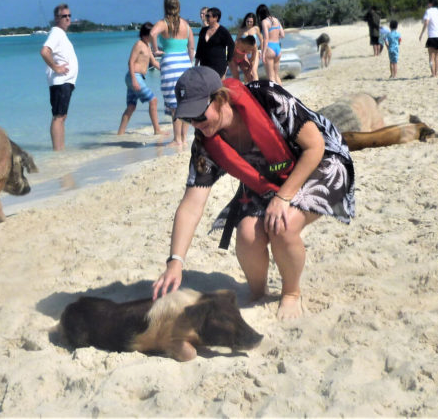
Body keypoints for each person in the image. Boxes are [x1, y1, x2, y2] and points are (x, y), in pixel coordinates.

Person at [151, 67, 355, 320]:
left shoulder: (268, 98)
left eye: (200, 116)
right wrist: (175, 261)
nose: (195, 125)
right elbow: (192, 204)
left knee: (282, 225)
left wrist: (283, 199)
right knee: (247, 234)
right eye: (188, 119)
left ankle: (291, 293)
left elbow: (315, 147)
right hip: (267, 180)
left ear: (221, 99)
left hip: (321, 163)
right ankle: (258, 293)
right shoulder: (205, 143)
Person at [150, 0, 195, 146]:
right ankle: (183, 137)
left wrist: (155, 50)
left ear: (165, 6)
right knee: (186, 102)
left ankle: (177, 139)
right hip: (185, 64)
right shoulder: (186, 25)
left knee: (174, 103)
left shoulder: (164, 23)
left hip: (170, 63)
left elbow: (152, 33)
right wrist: (189, 63)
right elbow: (191, 47)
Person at [40, 3, 79, 151]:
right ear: (57, 18)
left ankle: (61, 149)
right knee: (58, 117)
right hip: (60, 82)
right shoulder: (56, 33)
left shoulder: (60, 34)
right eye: (64, 16)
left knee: (62, 116)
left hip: (65, 82)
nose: (68, 18)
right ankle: (57, 151)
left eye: (69, 15)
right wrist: (56, 67)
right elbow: (44, 51)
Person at [118, 22, 162, 135]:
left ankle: (120, 133)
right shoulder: (139, 44)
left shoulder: (147, 46)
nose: (154, 37)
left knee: (131, 106)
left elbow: (154, 62)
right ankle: (157, 130)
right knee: (153, 100)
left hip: (136, 78)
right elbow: (131, 62)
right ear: (145, 35)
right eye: (152, 35)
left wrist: (166, 70)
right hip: (134, 77)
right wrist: (134, 80)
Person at [195, 7, 234, 78]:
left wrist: (227, 62)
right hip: (204, 65)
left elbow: (231, 45)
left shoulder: (223, 31)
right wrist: (196, 64)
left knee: (218, 87)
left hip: (218, 65)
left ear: (215, 17)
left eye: (208, 16)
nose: (206, 18)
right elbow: (199, 48)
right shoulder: (203, 31)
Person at [256, 4, 284, 85]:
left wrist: (263, 53)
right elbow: (282, 35)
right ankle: (282, 94)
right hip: (277, 48)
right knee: (276, 75)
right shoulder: (276, 20)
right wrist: (275, 35)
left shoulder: (264, 22)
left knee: (271, 77)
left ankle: (274, 96)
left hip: (269, 48)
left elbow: (266, 38)